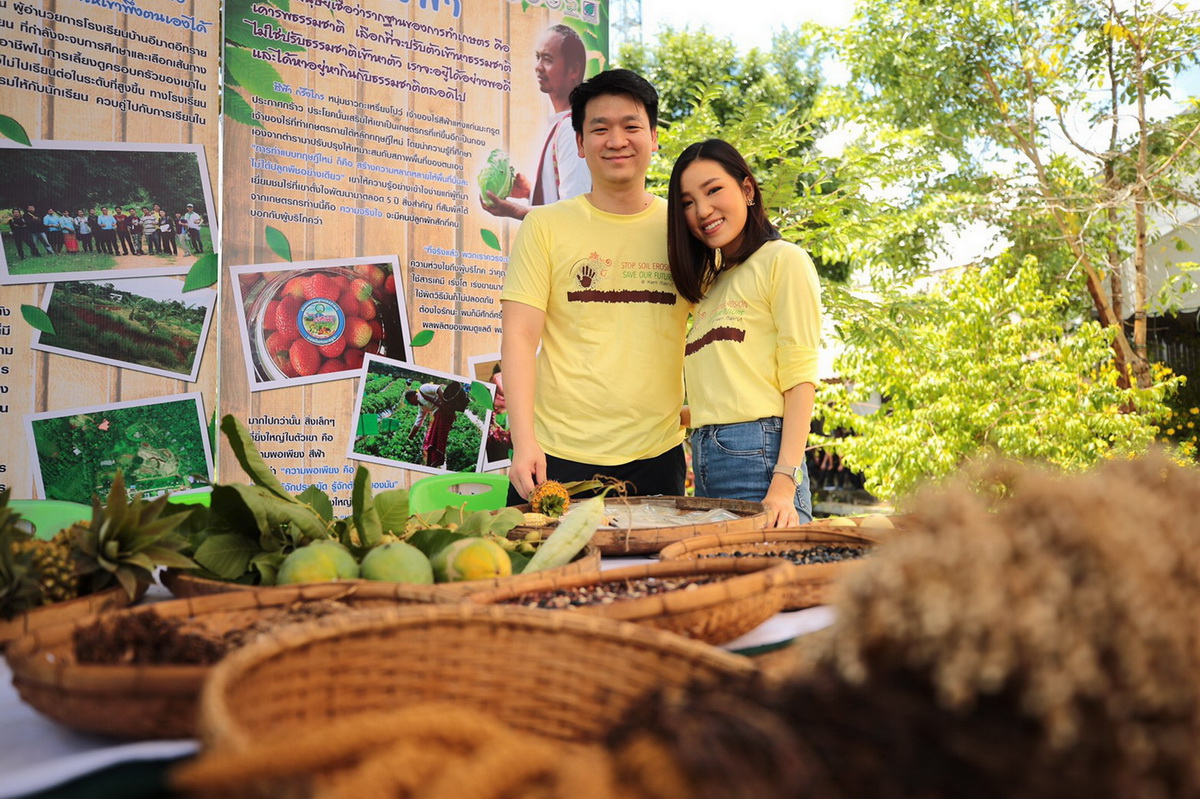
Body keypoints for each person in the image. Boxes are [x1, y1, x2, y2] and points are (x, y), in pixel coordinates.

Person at [500, 69, 689, 503]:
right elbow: (519, 335)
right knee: (540, 570)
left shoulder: (682, 228)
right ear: (581, 144)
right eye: (599, 129)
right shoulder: (545, 225)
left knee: (651, 574)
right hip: (555, 454)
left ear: (654, 137)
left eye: (631, 126)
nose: (616, 140)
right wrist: (523, 441)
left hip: (656, 455)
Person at [667, 139, 822, 527]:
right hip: (706, 459)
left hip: (762, 459)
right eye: (687, 203)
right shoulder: (710, 285)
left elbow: (800, 381)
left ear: (748, 190)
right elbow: (730, 391)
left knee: (773, 582)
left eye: (713, 190)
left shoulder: (784, 260)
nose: (702, 211)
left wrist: (784, 482)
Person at [481, 24, 590, 221]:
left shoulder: (571, 128)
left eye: (547, 59)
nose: (538, 67)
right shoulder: (561, 124)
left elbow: (575, 213)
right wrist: (530, 192)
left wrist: (515, 211)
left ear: (573, 69)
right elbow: (563, 202)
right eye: (537, 57)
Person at [405, 381, 468, 469]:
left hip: (443, 414)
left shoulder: (423, 388)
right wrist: (410, 437)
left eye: (410, 401)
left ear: (411, 397)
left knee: (435, 439)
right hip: (439, 416)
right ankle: (432, 462)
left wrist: (444, 403)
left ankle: (434, 461)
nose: (411, 404)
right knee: (432, 439)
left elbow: (438, 389)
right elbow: (418, 423)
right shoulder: (422, 407)